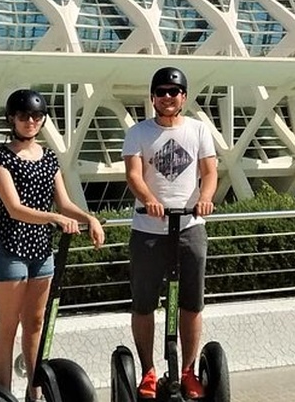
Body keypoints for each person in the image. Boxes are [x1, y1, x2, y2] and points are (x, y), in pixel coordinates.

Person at [0, 88, 105, 402]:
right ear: (12, 119)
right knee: (9, 326)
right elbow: (14, 208)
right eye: (24, 116)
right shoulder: (1, 159)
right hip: (11, 249)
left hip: (41, 251)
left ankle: (34, 390)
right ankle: (4, 394)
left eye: (37, 116)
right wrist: (53, 217)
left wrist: (88, 218)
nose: (31, 121)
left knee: (36, 323)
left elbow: (64, 201)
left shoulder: (49, 157)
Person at [121, 66, 218, 400]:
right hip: (149, 230)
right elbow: (133, 174)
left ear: (184, 97)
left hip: (190, 227)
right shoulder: (138, 132)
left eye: (173, 92)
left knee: (192, 304)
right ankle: (148, 370)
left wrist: (205, 199)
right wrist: (148, 199)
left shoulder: (199, 130)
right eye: (161, 92)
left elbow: (210, 171)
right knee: (144, 304)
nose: (167, 97)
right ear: (153, 97)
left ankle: (188, 370)